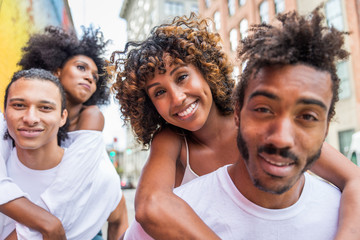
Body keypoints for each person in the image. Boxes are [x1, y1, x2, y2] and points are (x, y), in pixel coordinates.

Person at [111, 9, 360, 240]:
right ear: (149, 106)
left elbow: (353, 179)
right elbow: (150, 205)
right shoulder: (171, 141)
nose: (177, 97)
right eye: (159, 93)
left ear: (206, 72)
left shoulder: (256, 121)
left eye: (182, 77)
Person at [1, 68, 126, 240]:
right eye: (19, 105)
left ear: (62, 117)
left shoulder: (100, 176)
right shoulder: (4, 168)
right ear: (5, 112)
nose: (30, 118)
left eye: (45, 108)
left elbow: (119, 220)